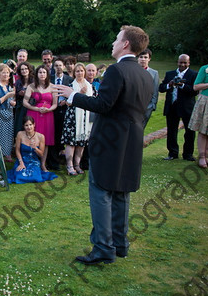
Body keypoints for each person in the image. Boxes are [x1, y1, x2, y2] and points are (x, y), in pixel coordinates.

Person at [54, 25, 152, 265]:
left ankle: (103, 248)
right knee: (121, 193)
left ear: (126, 44)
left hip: (108, 145)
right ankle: (120, 243)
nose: (113, 43)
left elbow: (104, 105)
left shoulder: (117, 71)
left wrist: (73, 95)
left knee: (101, 193)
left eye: (117, 39)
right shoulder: (144, 74)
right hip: (131, 143)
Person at [158, 54, 198, 161]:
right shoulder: (170, 74)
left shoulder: (193, 74)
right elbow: (161, 88)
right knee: (171, 130)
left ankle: (188, 154)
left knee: (189, 131)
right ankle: (172, 153)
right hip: (172, 106)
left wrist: (182, 85)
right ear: (178, 62)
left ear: (189, 63)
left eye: (185, 62)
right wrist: (169, 85)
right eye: (181, 62)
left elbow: (195, 91)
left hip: (187, 107)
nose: (182, 64)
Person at [60, 63, 93, 175]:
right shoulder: (70, 86)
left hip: (85, 118)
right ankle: (69, 166)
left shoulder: (90, 86)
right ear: (74, 73)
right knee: (71, 143)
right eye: (77, 71)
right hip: (72, 117)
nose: (80, 73)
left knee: (81, 143)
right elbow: (67, 102)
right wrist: (79, 93)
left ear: (84, 72)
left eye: (81, 71)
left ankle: (77, 165)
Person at [24, 65, 57, 173]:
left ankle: (43, 164)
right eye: (40, 72)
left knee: (45, 141)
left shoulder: (53, 87)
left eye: (44, 72)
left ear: (47, 74)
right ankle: (32, 163)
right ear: (36, 74)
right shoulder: (31, 86)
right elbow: (25, 102)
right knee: (32, 138)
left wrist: (48, 110)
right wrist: (36, 108)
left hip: (48, 116)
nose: (42, 74)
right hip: (34, 114)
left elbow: (55, 104)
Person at [7, 116, 58, 184]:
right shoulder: (20, 134)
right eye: (26, 125)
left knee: (36, 178)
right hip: (22, 160)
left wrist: (35, 148)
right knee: (19, 174)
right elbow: (17, 150)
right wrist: (21, 162)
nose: (29, 127)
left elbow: (41, 154)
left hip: (34, 161)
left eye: (30, 124)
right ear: (23, 126)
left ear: (34, 125)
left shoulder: (41, 136)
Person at [48, 59, 73, 170]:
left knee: (62, 135)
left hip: (65, 110)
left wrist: (66, 101)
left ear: (63, 67)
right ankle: (53, 162)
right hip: (52, 110)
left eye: (60, 65)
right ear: (53, 67)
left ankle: (62, 158)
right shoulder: (49, 79)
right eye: (56, 65)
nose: (58, 67)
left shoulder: (69, 79)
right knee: (53, 135)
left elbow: (73, 94)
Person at [138, 48, 159, 128]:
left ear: (149, 59)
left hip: (148, 106)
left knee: (141, 128)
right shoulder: (133, 71)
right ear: (138, 58)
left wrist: (153, 105)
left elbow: (155, 89)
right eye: (141, 57)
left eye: (145, 57)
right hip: (133, 105)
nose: (143, 59)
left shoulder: (154, 73)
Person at [13, 61, 34, 135]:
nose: (24, 71)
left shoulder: (34, 81)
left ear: (29, 70)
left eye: (26, 69)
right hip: (20, 107)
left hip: (31, 106)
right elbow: (14, 94)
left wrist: (28, 93)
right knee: (19, 125)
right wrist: (19, 93)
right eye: (22, 69)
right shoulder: (18, 82)